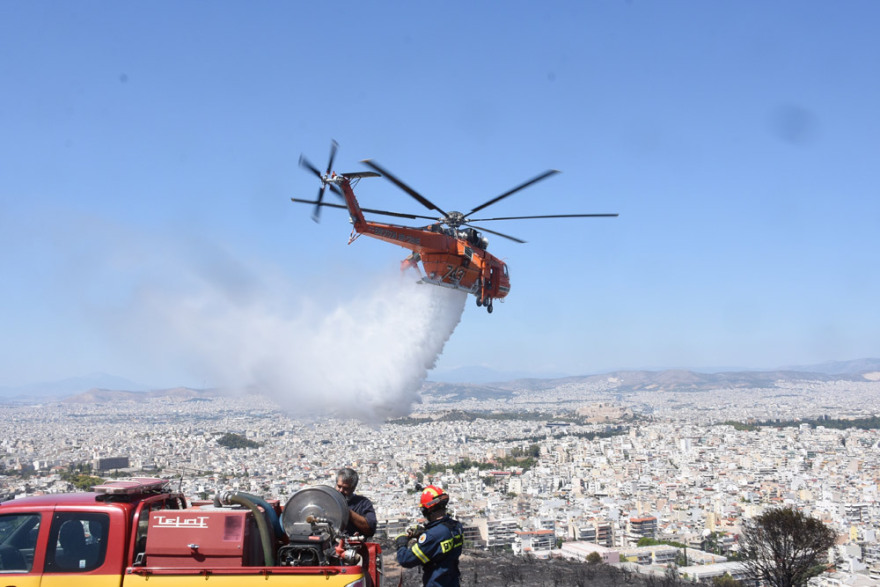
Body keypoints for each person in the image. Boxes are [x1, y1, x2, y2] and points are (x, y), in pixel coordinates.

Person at [396, 485, 463, 587]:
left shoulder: (432, 536)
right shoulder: (457, 527)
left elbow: (406, 560)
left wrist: (401, 543)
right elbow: (440, 544)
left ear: (428, 510)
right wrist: (424, 532)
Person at [335, 467, 377, 538]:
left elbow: (370, 529)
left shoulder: (363, 504)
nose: (341, 490)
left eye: (346, 488)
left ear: (353, 488)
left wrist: (346, 511)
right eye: (339, 486)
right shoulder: (328, 500)